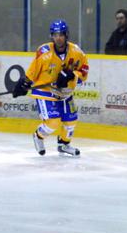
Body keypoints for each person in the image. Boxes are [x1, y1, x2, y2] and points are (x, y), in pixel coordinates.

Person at [12, 20, 89, 157]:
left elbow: (84, 71)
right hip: (45, 91)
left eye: (61, 35)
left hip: (65, 92)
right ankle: (38, 136)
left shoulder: (77, 52)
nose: (58, 38)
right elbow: (33, 70)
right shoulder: (44, 52)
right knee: (53, 122)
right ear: (51, 36)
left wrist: (72, 75)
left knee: (71, 120)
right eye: (55, 35)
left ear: (66, 35)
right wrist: (24, 83)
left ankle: (64, 145)